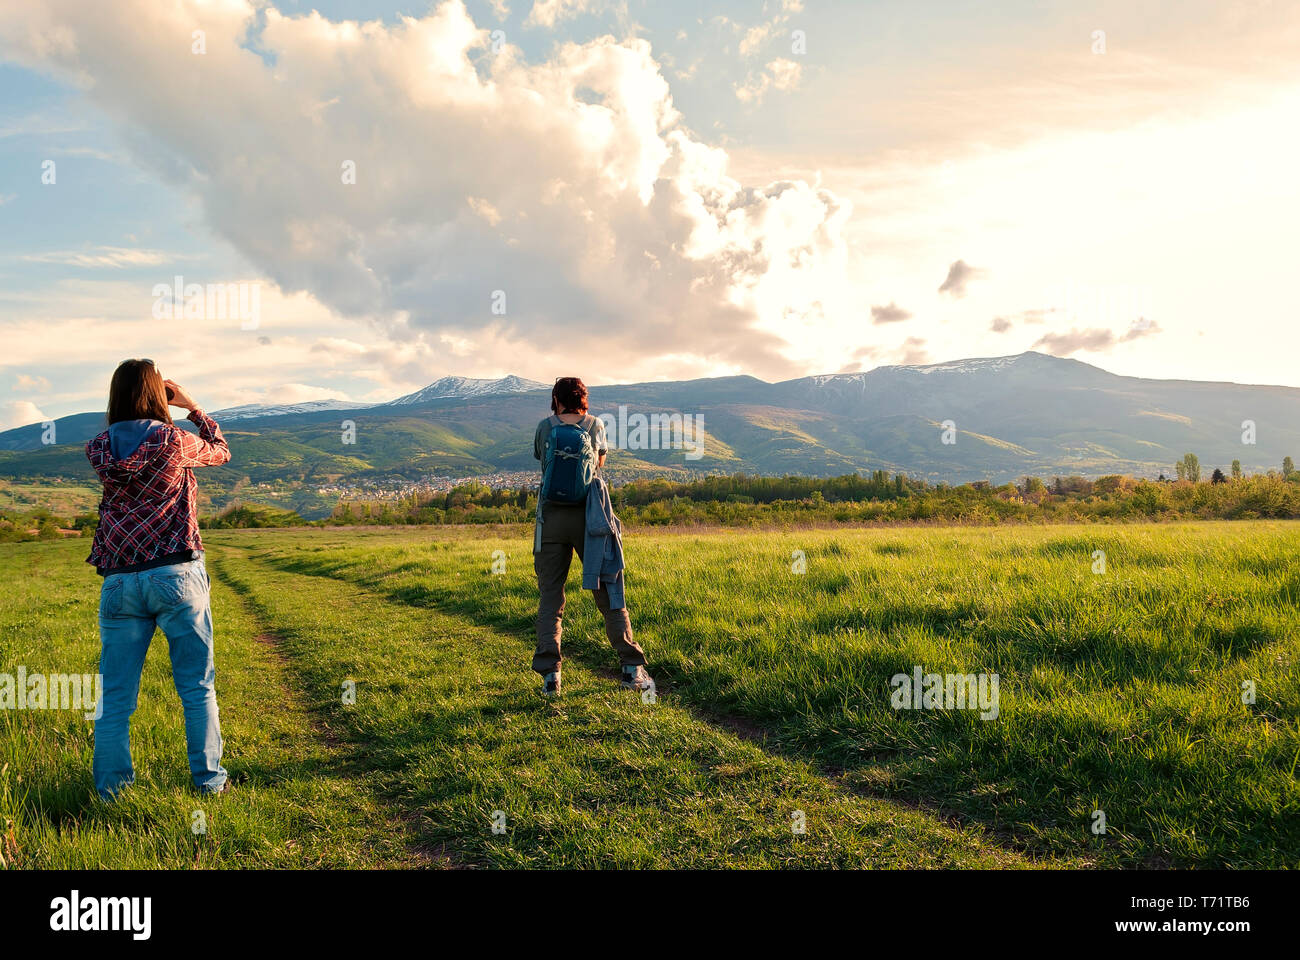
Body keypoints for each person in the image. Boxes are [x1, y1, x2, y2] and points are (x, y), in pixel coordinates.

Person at [85, 359, 232, 799]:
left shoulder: (98, 448)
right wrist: (192, 406)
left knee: (114, 698)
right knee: (195, 686)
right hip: (175, 572)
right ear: (157, 394)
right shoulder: (174, 440)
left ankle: (112, 794)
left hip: (119, 581)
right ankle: (208, 784)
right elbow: (221, 451)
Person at [532, 376, 652, 697]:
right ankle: (630, 668)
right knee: (609, 590)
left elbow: (543, 464)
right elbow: (598, 464)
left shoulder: (546, 426)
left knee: (551, 598)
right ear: (583, 398)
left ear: (556, 399)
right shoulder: (595, 424)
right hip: (591, 520)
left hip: (551, 519)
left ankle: (551, 678)